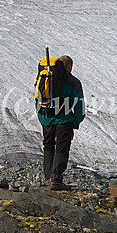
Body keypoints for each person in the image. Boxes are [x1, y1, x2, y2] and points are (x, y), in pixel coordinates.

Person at [37, 54, 85, 190]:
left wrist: (43, 118)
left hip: (46, 118)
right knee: (62, 147)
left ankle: (47, 177)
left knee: (48, 145)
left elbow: (38, 99)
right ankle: (56, 179)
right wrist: (76, 121)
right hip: (64, 119)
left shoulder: (44, 78)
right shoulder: (73, 81)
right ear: (69, 66)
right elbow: (79, 105)